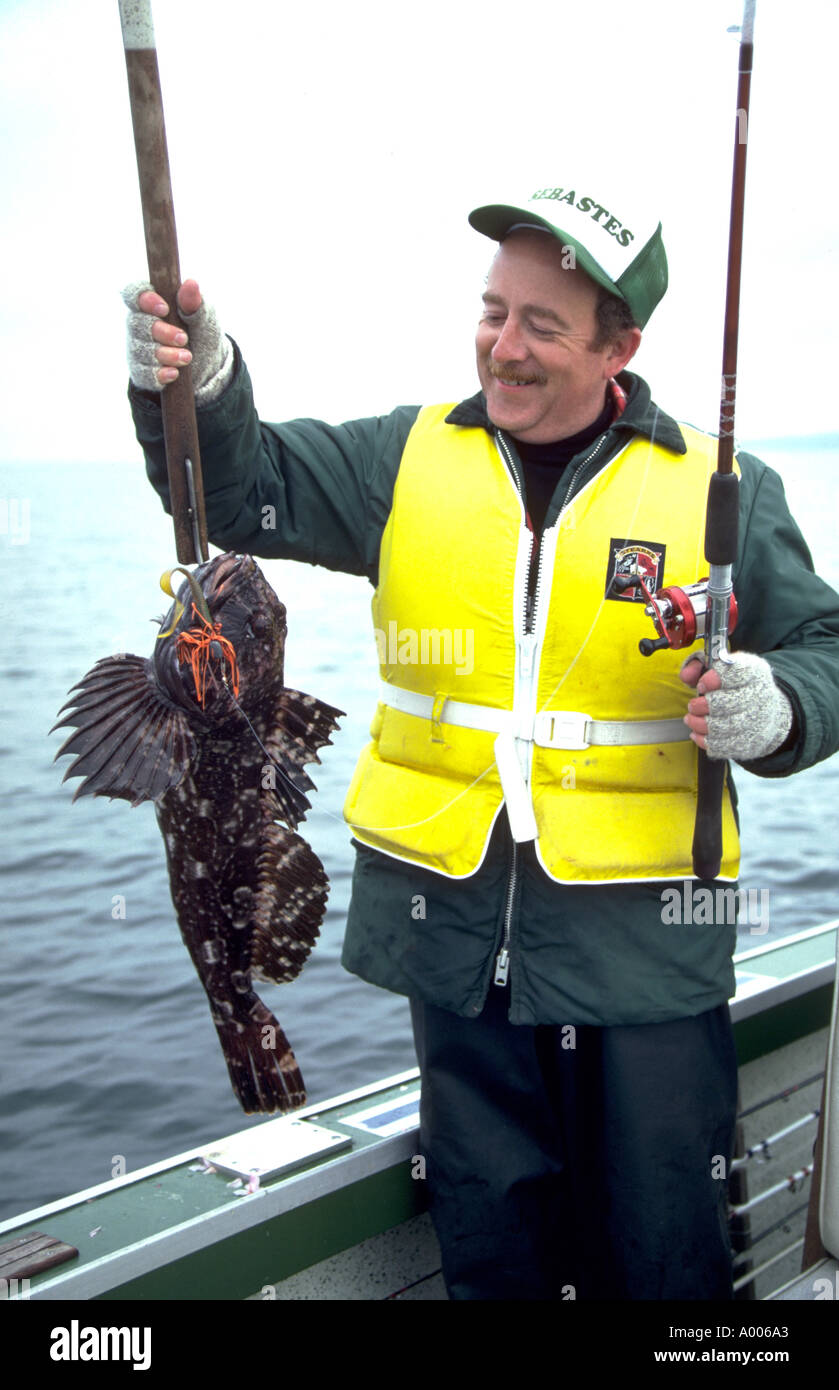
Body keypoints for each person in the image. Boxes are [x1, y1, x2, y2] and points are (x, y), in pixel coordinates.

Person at [124, 183, 839, 1300]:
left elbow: (824, 647)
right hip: (455, 953)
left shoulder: (725, 494)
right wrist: (202, 385)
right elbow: (240, 490)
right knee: (493, 1252)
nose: (500, 347)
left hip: (645, 954)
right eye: (491, 310)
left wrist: (782, 703)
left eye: (540, 324)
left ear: (620, 346)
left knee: (664, 1255)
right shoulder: (400, 458)